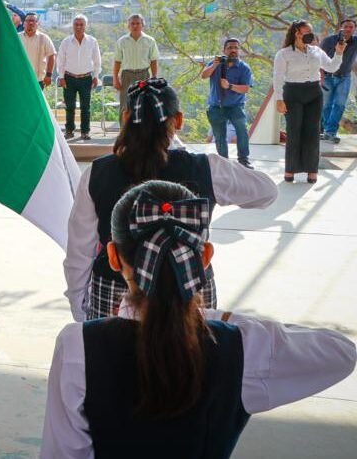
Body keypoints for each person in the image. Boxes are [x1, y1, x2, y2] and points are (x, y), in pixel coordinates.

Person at [43, 179, 356, 459]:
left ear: (113, 257)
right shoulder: (242, 347)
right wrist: (221, 318)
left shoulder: (76, 345)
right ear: (204, 257)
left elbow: (63, 453)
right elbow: (341, 352)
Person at [64, 78, 277, 322]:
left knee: (115, 358)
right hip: (189, 290)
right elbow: (267, 192)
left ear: (125, 118)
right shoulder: (206, 169)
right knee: (189, 359)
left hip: (115, 290)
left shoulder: (97, 173)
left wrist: (79, 309)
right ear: (178, 120)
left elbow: (80, 250)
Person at [273, 20, 345, 183]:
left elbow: (332, 67)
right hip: (293, 92)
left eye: (311, 31)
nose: (311, 35)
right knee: (294, 131)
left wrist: (339, 53)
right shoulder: (283, 54)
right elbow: (277, 77)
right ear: (297, 33)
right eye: (307, 31)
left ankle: (312, 171)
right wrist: (279, 99)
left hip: (314, 93)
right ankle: (290, 170)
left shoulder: (316, 51)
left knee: (312, 132)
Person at [201, 38, 254, 168]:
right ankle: (224, 162)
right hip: (216, 107)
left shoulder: (244, 68)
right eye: (230, 48)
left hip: (235, 106)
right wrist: (214, 65)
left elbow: (246, 88)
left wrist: (229, 86)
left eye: (236, 48)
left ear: (239, 50)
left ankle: (243, 160)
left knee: (242, 131)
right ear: (224, 50)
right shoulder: (215, 63)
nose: (233, 50)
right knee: (219, 136)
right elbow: (203, 75)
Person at [56, 15, 102, 141]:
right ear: (73, 26)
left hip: (86, 78)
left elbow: (97, 60)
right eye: (76, 24)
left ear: (85, 26)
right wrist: (61, 77)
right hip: (69, 77)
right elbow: (60, 60)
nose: (78, 27)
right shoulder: (66, 42)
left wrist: (96, 76)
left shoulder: (92, 41)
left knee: (85, 107)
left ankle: (85, 132)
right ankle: (69, 131)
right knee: (69, 106)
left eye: (81, 24)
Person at [319, 18, 357, 143]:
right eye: (346, 26)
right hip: (328, 76)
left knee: (340, 105)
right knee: (327, 105)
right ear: (340, 28)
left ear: (354, 29)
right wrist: (320, 76)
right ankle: (326, 131)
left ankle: (330, 132)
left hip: (344, 77)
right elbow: (318, 58)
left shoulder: (355, 41)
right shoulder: (329, 41)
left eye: (351, 27)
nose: (348, 29)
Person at [113, 13, 159, 115]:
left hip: (144, 75)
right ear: (128, 26)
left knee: (144, 105)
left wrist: (154, 77)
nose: (135, 26)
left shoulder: (150, 41)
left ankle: (142, 131)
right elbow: (117, 61)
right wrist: (115, 78)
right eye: (132, 23)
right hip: (127, 76)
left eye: (138, 23)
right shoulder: (122, 41)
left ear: (142, 25)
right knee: (125, 105)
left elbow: (154, 60)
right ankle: (124, 130)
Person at [19, 12, 56, 91]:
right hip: (20, 80)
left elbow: (52, 55)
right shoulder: (17, 38)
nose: (31, 23)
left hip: (38, 80)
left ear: (37, 23)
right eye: (28, 20)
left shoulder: (44, 38)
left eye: (33, 21)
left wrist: (49, 75)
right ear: (23, 23)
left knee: (36, 103)